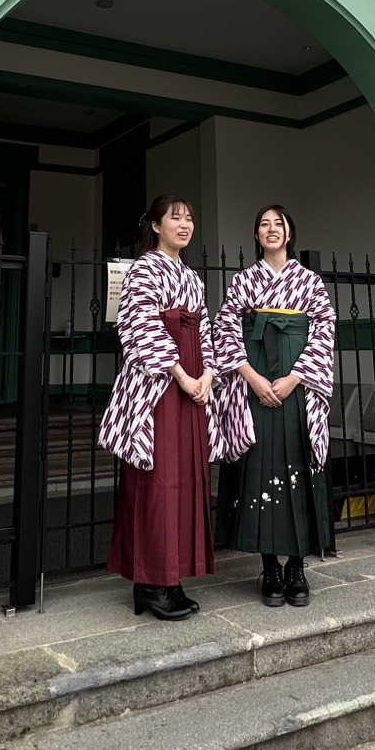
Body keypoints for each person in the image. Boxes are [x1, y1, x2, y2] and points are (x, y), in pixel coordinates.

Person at [97, 194, 216, 621]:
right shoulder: (144, 269)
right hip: (159, 385)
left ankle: (172, 577)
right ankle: (149, 582)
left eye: (189, 218)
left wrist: (207, 376)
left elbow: (205, 331)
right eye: (174, 218)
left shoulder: (192, 278)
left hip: (193, 383)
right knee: (157, 480)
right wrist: (181, 375)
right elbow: (139, 325)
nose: (184, 225)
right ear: (155, 225)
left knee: (185, 479)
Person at [210, 204, 337, 608]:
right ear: (256, 235)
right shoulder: (244, 281)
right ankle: (270, 567)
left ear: (289, 233)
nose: (271, 229)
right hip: (255, 380)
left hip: (297, 383)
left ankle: (297, 566)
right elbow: (224, 328)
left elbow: (324, 330)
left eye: (278, 223)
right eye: (263, 224)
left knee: (298, 459)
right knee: (260, 467)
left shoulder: (309, 281)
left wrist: (295, 378)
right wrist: (252, 377)